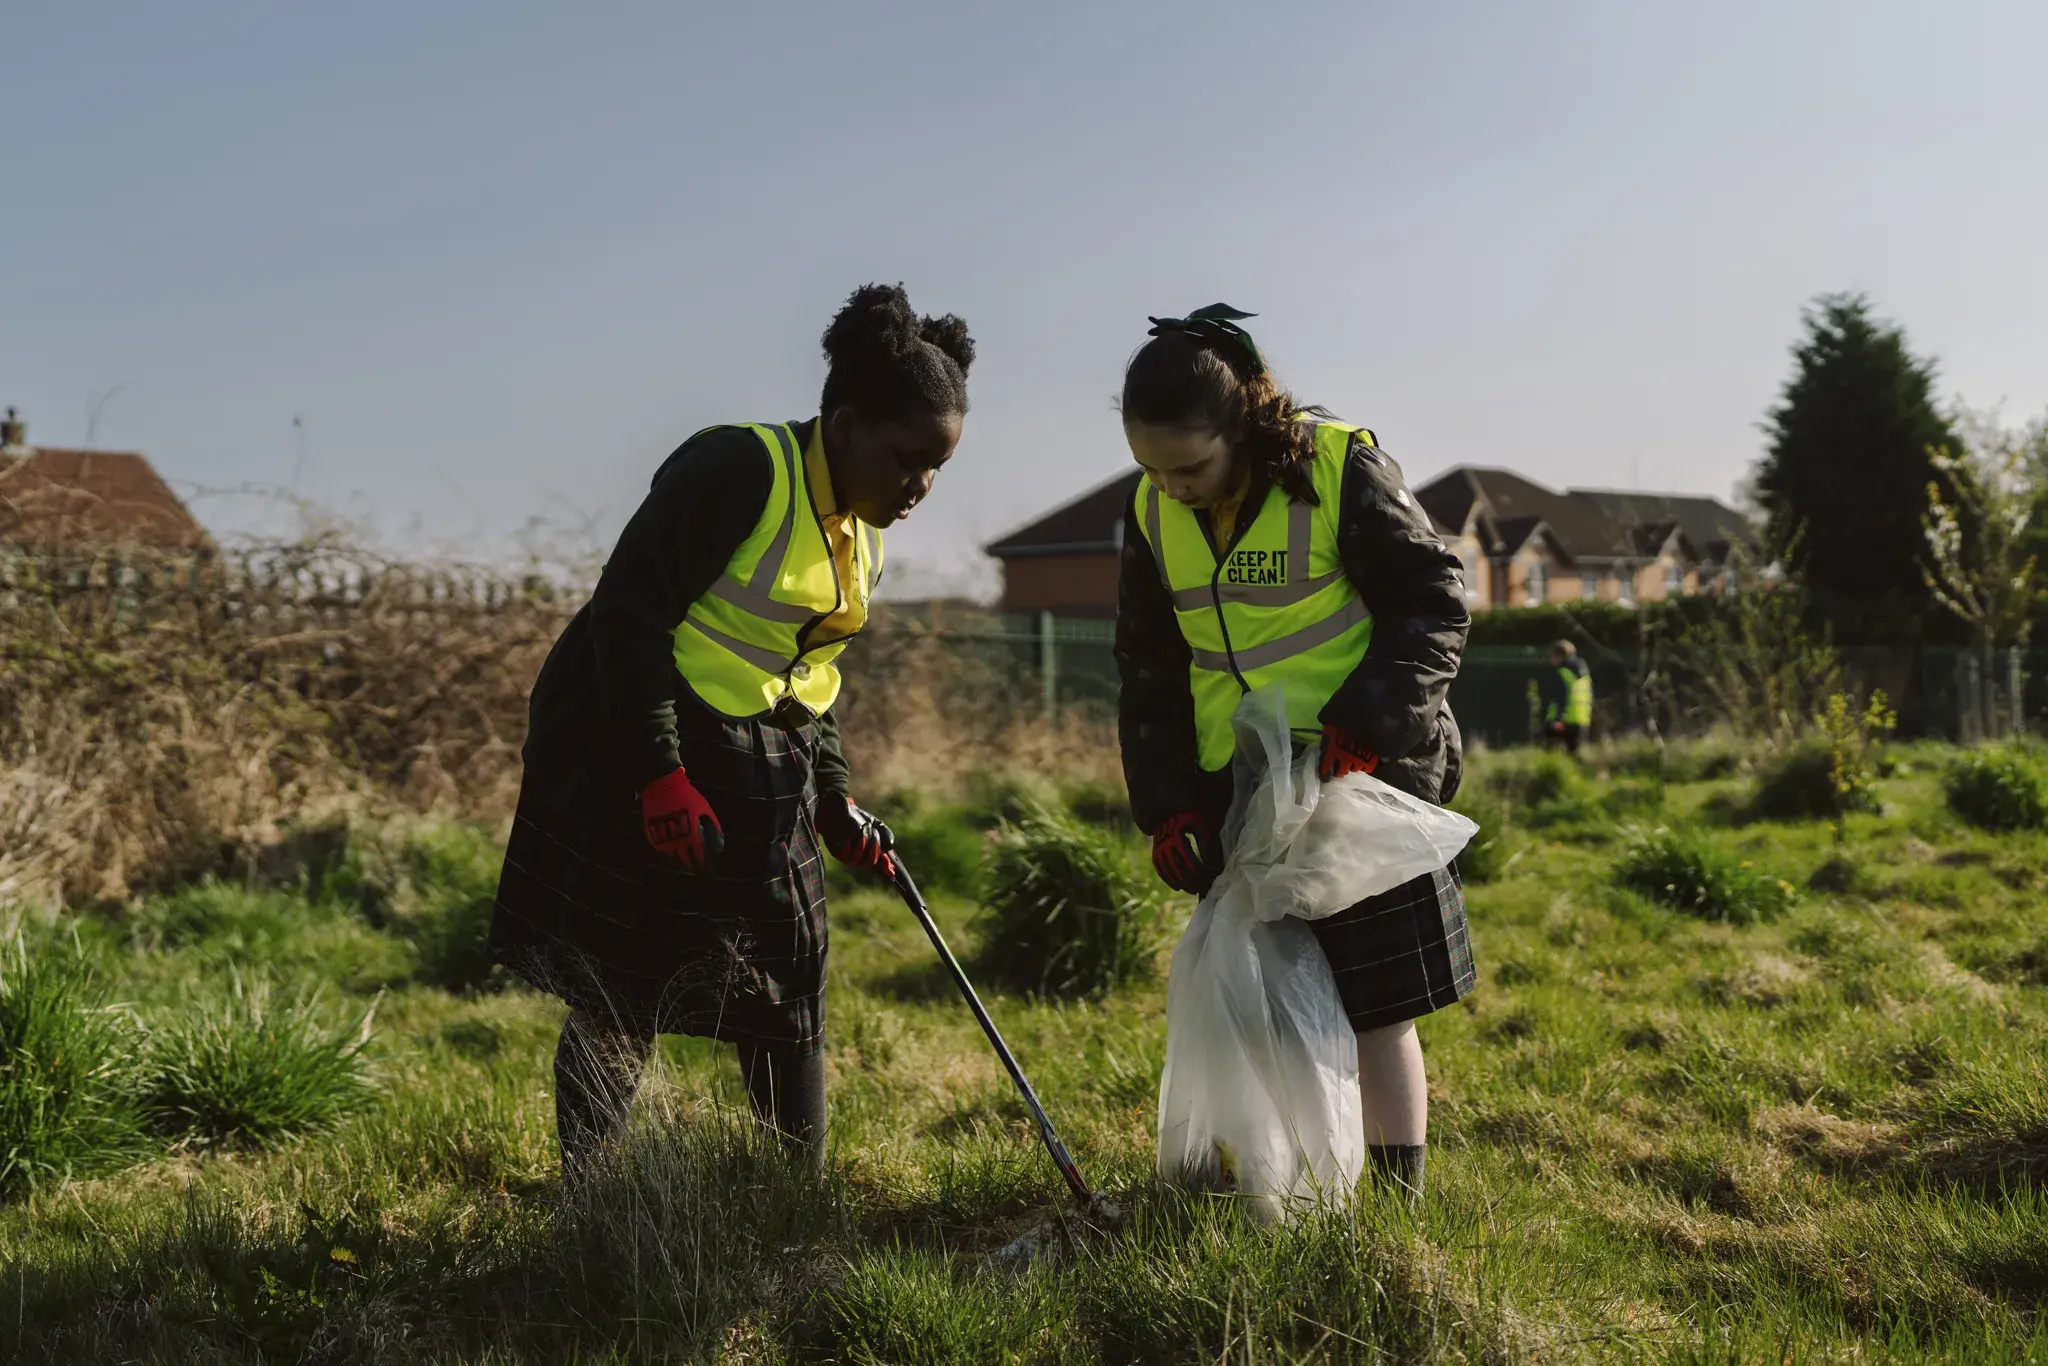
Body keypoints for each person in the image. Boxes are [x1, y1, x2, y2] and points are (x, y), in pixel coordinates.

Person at [489, 284, 973, 1182]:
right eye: (908, 459)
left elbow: (809, 677)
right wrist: (658, 777)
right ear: (846, 421)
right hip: (628, 731)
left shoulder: (861, 529)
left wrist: (834, 798)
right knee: (624, 979)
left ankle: (797, 1199)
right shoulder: (737, 469)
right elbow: (625, 621)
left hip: (755, 751)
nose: (920, 488)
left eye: (937, 467)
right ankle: (586, 1195)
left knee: (790, 977)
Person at [1114, 304, 1475, 1205]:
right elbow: (1149, 668)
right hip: (1237, 794)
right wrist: (1167, 806)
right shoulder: (1150, 513)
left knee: (1375, 1010)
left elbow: (1433, 601)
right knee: (1265, 1009)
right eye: (1151, 469)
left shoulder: (1337, 468)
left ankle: (1395, 1209)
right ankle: (1282, 1196)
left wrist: (1373, 723)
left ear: (1241, 426)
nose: (1173, 488)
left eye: (1191, 466)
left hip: (1361, 783)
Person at [1539, 639, 1593, 754]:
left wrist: (1558, 719)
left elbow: (1561, 698)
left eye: (1551, 656)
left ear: (1560, 656)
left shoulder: (1562, 673)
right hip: (1581, 720)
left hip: (1563, 721)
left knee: (1550, 753)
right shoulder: (1585, 676)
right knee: (1575, 755)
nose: (1550, 660)